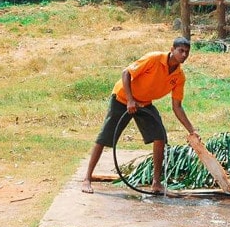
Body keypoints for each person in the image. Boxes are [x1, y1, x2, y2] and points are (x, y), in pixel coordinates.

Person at [81, 37, 198, 195]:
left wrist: (191, 130)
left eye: (187, 52)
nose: (184, 55)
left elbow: (177, 106)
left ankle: (156, 183)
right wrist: (130, 99)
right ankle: (87, 178)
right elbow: (126, 73)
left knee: (160, 137)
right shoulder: (154, 58)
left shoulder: (179, 77)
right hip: (123, 98)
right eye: (181, 51)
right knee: (105, 137)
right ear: (172, 50)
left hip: (144, 103)